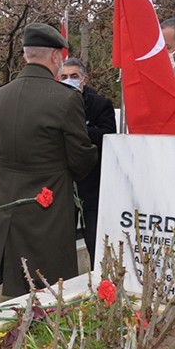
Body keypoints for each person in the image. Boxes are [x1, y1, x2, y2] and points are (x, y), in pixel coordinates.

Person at [0, 23, 97, 297]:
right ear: (57, 57)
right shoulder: (66, 99)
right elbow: (81, 158)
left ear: (25, 55)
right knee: (51, 285)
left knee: (18, 284)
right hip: (50, 206)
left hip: (10, 203)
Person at [58, 57, 116, 269]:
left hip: (93, 184)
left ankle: (100, 279)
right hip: (63, 183)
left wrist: (79, 128)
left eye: (74, 76)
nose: (69, 80)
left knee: (94, 237)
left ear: (85, 79)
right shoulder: (54, 103)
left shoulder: (101, 104)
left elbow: (108, 136)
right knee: (61, 241)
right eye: (64, 77)